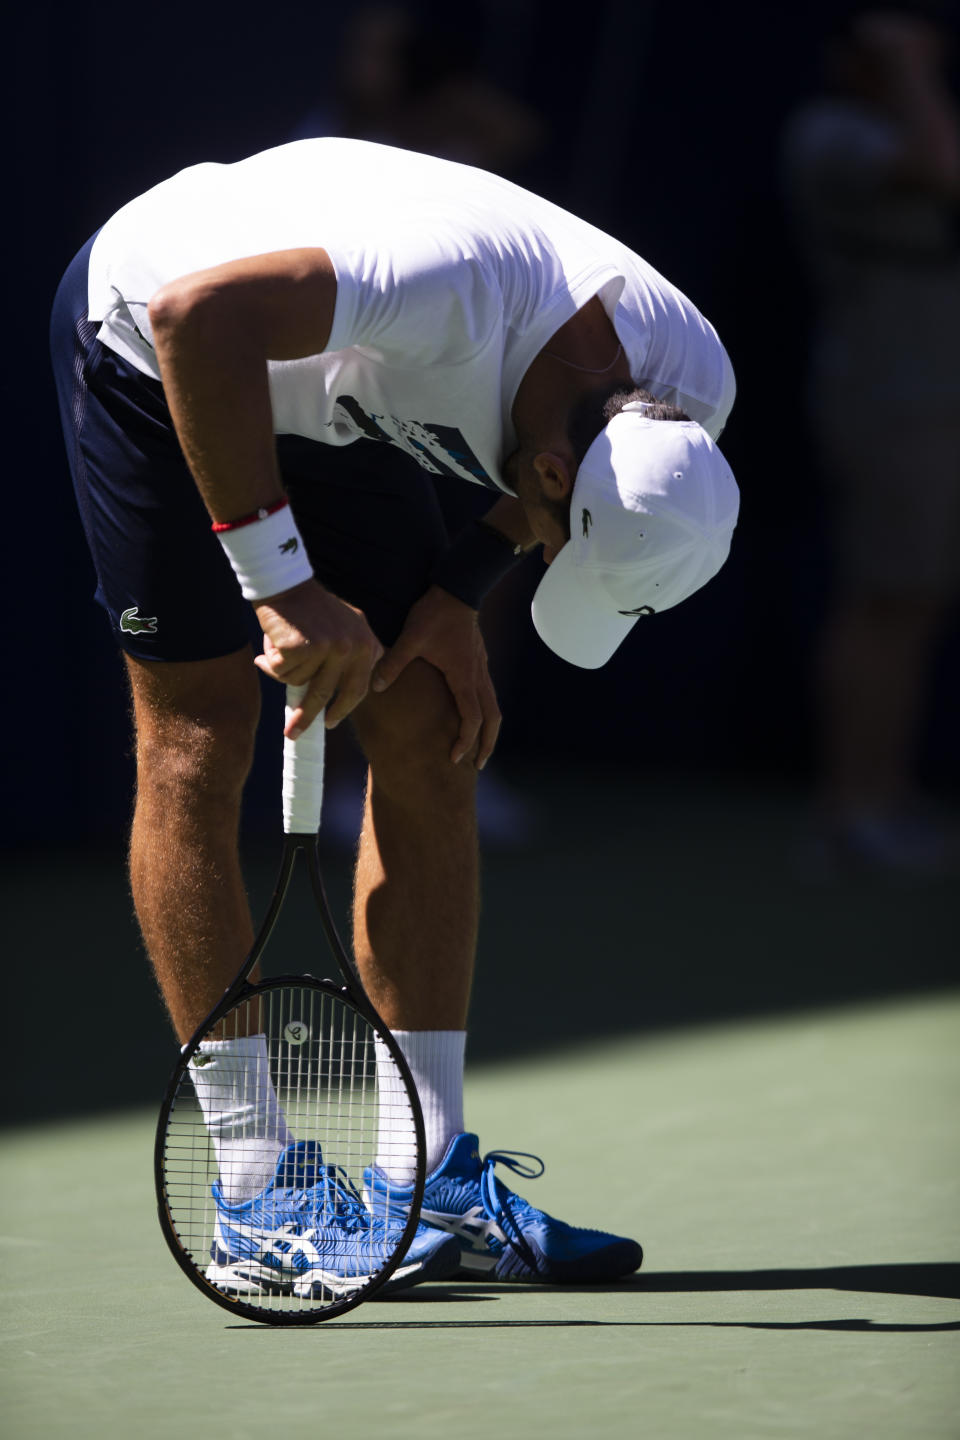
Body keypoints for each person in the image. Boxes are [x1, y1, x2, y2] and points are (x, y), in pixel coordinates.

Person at [50, 136, 738, 1294]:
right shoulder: (448, 294)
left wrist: (456, 593)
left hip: (339, 388)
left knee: (430, 722)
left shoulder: (687, 395)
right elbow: (192, 317)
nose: (544, 549)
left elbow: (527, 512)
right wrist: (282, 588)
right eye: (557, 537)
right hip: (161, 335)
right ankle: (255, 1188)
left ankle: (425, 1172)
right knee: (197, 737)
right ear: (558, 470)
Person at [782, 2, 960, 873]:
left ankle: (883, 796)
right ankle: (850, 808)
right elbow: (939, 167)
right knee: (883, 599)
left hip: (936, 403)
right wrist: (910, 67)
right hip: (889, 402)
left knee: (917, 602)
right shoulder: (830, 134)